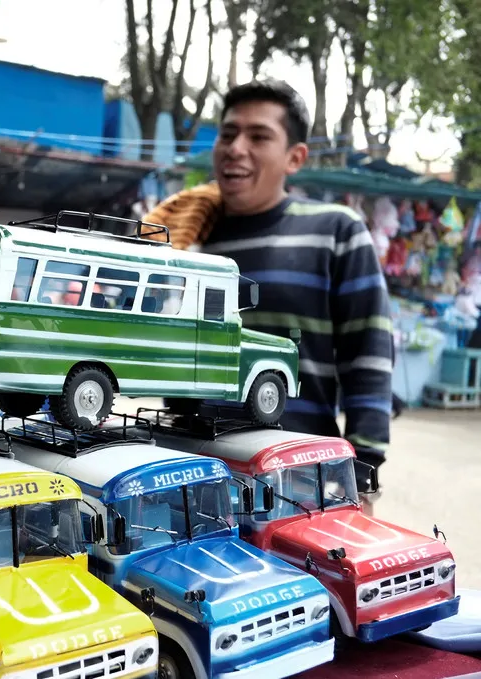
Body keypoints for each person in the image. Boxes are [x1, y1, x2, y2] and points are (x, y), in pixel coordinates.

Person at [143, 80, 393, 512]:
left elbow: (367, 357)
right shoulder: (185, 237)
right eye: (227, 134)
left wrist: (362, 476)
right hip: (191, 473)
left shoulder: (336, 230)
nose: (236, 148)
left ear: (295, 157)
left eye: (258, 136)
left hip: (301, 478)